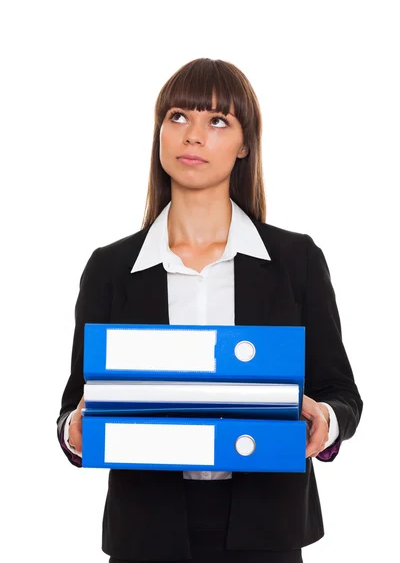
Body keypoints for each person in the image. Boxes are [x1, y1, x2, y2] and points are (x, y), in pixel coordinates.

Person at [56, 57, 363, 563]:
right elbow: (75, 402)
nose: (193, 135)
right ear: (159, 135)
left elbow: (341, 393)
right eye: (178, 117)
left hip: (267, 530)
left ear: (244, 145)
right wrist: (74, 431)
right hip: (146, 532)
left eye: (217, 120)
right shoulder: (111, 268)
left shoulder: (296, 261)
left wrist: (324, 420)